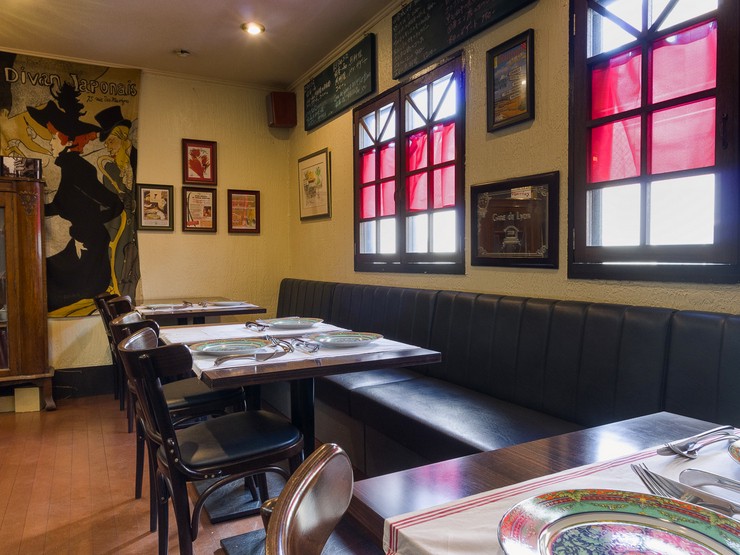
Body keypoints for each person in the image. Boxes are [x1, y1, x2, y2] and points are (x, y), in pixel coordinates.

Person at [27, 83, 124, 313]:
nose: (50, 142)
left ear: (66, 140)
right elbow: (61, 205)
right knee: (40, 271)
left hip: (89, 251)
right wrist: (30, 210)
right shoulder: (70, 168)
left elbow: (115, 204)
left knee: (45, 279)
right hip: (80, 244)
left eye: (53, 137)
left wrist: (89, 225)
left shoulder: (78, 170)